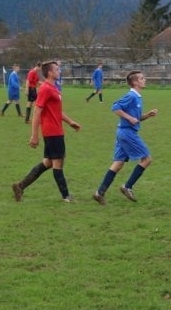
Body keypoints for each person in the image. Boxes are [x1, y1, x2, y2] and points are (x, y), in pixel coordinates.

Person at [12, 60, 81, 203]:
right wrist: (34, 135)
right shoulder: (45, 89)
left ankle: (20, 186)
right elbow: (37, 112)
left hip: (56, 130)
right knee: (58, 163)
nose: (59, 71)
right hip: (52, 132)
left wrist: (70, 122)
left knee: (48, 163)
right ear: (50, 72)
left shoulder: (54, 88)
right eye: (57, 69)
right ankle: (66, 196)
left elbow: (56, 111)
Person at [92, 70, 158, 205]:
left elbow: (136, 118)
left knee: (118, 164)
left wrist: (147, 115)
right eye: (142, 78)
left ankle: (99, 193)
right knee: (147, 159)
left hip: (123, 132)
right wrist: (129, 117)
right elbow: (115, 107)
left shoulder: (137, 97)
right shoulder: (132, 96)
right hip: (128, 133)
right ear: (135, 82)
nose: (144, 80)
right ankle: (127, 186)